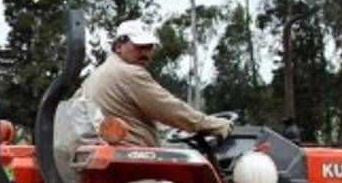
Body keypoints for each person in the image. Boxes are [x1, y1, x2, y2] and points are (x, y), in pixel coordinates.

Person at [79, 19, 233, 147]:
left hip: (111, 151)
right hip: (131, 155)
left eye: (149, 47)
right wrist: (212, 124)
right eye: (139, 47)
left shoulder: (96, 75)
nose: (146, 53)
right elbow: (170, 109)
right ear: (119, 46)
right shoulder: (129, 73)